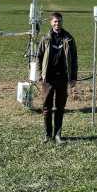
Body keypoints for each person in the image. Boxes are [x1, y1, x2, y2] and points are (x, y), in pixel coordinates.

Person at [36, 12, 78, 144]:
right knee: (47, 108)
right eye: (55, 21)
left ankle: (58, 135)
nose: (57, 24)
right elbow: (38, 57)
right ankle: (48, 135)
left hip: (63, 78)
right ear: (51, 23)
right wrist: (39, 75)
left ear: (62, 22)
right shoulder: (45, 39)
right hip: (48, 79)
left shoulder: (69, 39)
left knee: (60, 108)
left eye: (59, 21)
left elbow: (74, 60)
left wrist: (73, 77)